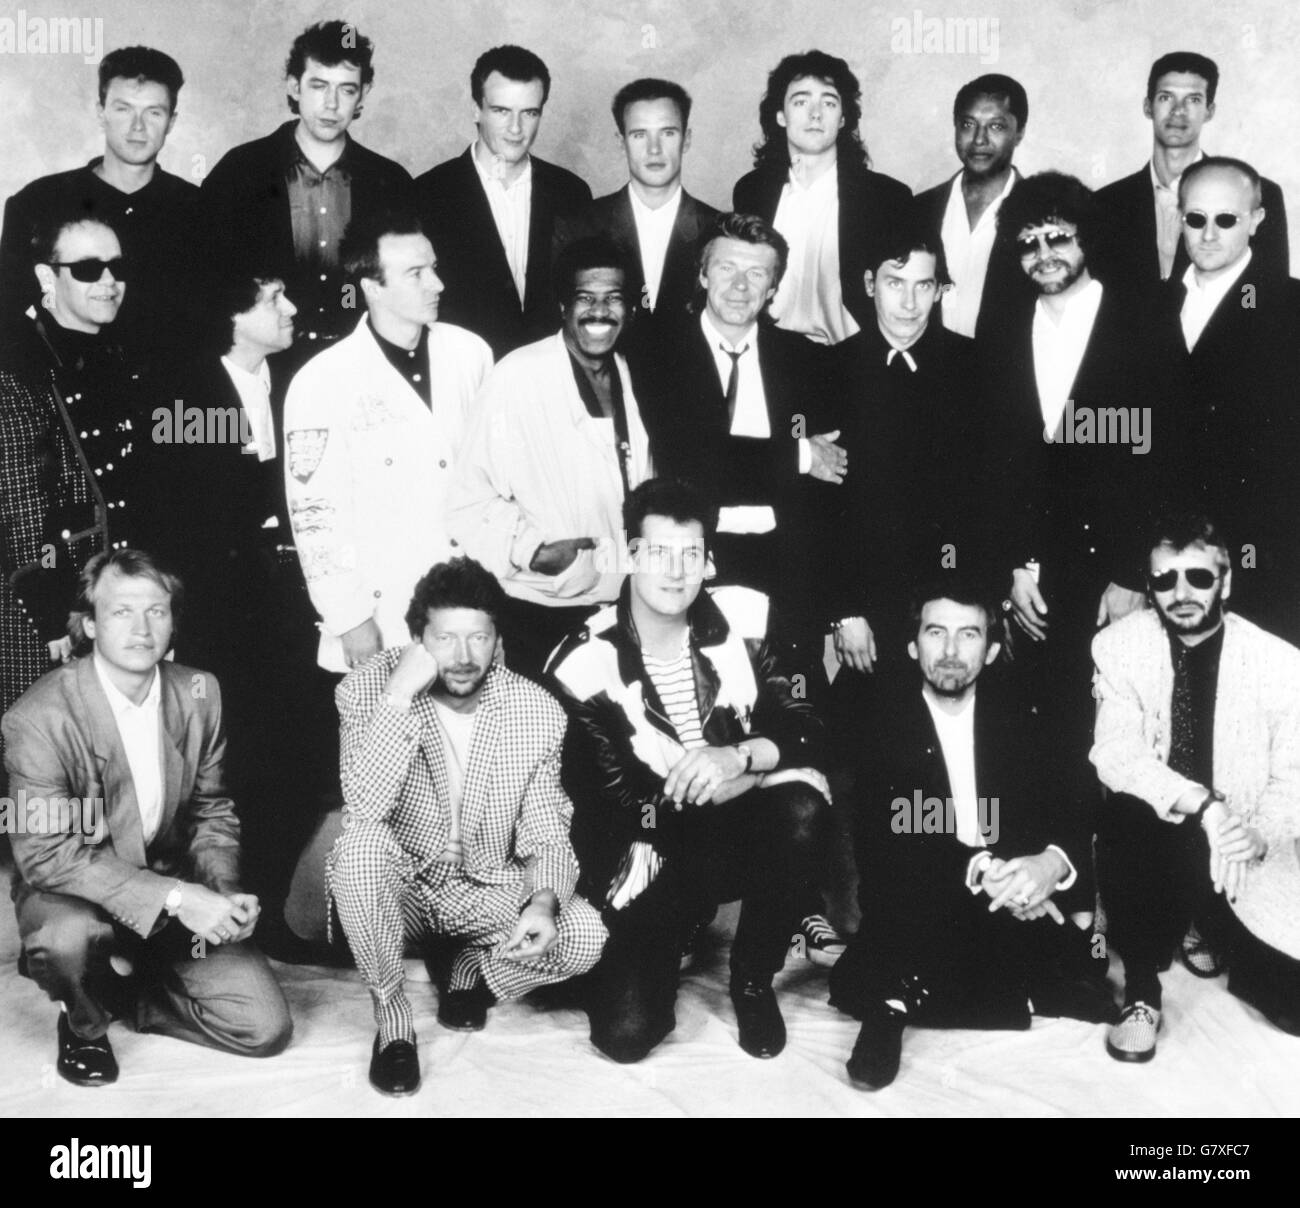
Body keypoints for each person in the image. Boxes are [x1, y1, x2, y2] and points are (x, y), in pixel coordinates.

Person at [548, 478, 830, 1063]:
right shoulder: (582, 661)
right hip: (652, 851)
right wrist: (753, 773)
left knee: (802, 808)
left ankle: (751, 979)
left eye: (691, 554)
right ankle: (669, 933)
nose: (676, 573)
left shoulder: (749, 615)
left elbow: (809, 723)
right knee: (625, 1037)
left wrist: (737, 756)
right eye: (657, 553)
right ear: (629, 555)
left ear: (709, 559)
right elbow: (630, 801)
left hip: (737, 831)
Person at [3, 549, 292, 1086]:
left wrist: (221, 894)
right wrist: (181, 900)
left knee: (263, 1027)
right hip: (74, 889)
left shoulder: (200, 691)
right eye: (120, 612)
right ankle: (83, 1019)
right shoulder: (36, 717)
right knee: (64, 941)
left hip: (168, 883)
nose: (141, 629)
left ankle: (125, 987)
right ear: (89, 625)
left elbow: (212, 809)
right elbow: (46, 856)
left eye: (156, 611)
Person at [328, 557, 606, 1095]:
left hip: (483, 892)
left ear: (497, 640)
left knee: (583, 934)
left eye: (478, 638)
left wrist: (543, 904)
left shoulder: (537, 710)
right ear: (416, 640)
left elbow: (547, 831)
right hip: (400, 889)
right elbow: (363, 808)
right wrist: (399, 696)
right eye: (445, 639)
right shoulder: (366, 690)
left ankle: (472, 970)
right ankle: (393, 1021)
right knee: (360, 848)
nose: (462, 657)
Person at [830, 578, 1112, 1090]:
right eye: (937, 633)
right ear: (913, 644)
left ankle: (906, 995)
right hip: (921, 894)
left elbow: (1073, 798)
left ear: (994, 648)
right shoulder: (883, 718)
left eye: (970, 635)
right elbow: (892, 837)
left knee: (1081, 966)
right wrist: (984, 871)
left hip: (1006, 894)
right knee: (873, 957)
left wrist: (1048, 865)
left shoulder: (1026, 711)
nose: (952, 653)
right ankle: (906, 1003)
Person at [137, 273, 334, 932]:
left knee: (305, 761)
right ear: (231, 313)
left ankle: (271, 914)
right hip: (224, 621)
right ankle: (221, 917)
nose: (292, 310)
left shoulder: (301, 380)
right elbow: (178, 522)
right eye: (273, 300)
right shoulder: (186, 394)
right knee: (232, 770)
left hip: (299, 612)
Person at [1093, 512, 1300, 1059]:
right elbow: (1116, 754)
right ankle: (1141, 993)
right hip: (1161, 836)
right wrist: (1205, 808)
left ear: (1226, 582)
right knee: (1127, 810)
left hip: (1241, 851)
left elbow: (1293, 776)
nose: (1181, 593)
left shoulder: (1280, 663)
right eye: (1164, 580)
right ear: (1151, 587)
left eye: (1199, 578)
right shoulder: (1118, 647)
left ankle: (1205, 927)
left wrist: (1258, 835)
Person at [634, 212, 844, 695]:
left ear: (774, 288)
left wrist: (800, 461)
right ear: (703, 274)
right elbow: (689, 462)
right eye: (726, 269)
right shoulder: (657, 350)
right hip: (692, 558)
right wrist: (797, 457)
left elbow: (828, 480)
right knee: (701, 705)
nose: (740, 286)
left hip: (787, 564)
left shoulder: (806, 360)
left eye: (757, 274)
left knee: (792, 706)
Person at [284, 209, 493, 675]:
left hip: (469, 610)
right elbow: (315, 516)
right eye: (416, 274)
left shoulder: (471, 354)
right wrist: (349, 617)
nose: (436, 284)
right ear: (372, 286)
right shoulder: (320, 381)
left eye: (433, 268)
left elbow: (493, 481)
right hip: (383, 617)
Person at [448, 235, 652, 677]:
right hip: (540, 610)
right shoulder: (517, 376)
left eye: (614, 298)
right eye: (585, 298)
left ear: (630, 309)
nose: (600, 312)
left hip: (623, 605)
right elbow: (467, 500)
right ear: (562, 306)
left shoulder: (632, 374)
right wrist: (533, 551)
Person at [0, 211, 145, 742]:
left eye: (115, 267)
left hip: (106, 594)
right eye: (87, 269)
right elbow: (19, 505)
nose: (107, 282)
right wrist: (50, 614)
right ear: (46, 279)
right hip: (36, 612)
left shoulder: (118, 350)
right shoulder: (16, 365)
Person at [825, 231, 988, 678]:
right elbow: (819, 505)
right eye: (896, 283)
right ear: (869, 284)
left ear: (939, 291)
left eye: (924, 286)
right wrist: (846, 609)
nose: (910, 302)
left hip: (955, 596)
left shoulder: (976, 367)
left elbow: (992, 492)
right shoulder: (829, 370)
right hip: (868, 604)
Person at [201, 21, 413, 350]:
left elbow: (404, 286)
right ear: (294, 87)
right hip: (266, 361)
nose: (331, 104)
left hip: (363, 361)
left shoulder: (392, 182)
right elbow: (211, 281)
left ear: (363, 93)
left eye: (346, 89)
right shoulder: (239, 172)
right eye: (318, 85)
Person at [1161, 157, 1300, 642]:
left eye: (1227, 219)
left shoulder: (1289, 306)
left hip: (1264, 562)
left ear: (1257, 220)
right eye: (1196, 219)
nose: (1209, 234)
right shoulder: (1151, 306)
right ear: (1179, 217)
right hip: (1166, 563)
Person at [0, 46, 201, 371]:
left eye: (154, 112)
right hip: (65, 396)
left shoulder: (201, 210)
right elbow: (8, 317)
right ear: (100, 112)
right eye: (123, 109)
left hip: (171, 401)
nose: (138, 126)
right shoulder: (38, 202)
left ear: (172, 121)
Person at [415, 45, 591, 358]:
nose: (515, 128)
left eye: (529, 113)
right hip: (465, 377)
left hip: (550, 376)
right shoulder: (428, 194)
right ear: (475, 110)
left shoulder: (571, 193)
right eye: (501, 111)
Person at [733, 50, 911, 345]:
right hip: (769, 352)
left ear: (842, 118)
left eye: (829, 102)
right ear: (780, 115)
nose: (815, 113)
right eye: (801, 101)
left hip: (852, 361)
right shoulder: (752, 190)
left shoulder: (886, 197)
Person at [1093, 51, 1289, 291]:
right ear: (1147, 107)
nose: (1178, 110)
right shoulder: (1104, 203)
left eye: (1193, 100)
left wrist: (1242, 322)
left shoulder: (1258, 192)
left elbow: (1265, 291)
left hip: (1226, 329)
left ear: (1209, 111)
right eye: (1166, 97)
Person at [555, 78, 718, 346]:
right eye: (639, 134)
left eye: (668, 133)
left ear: (686, 139)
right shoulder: (577, 226)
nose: (654, 149)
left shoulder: (718, 229)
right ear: (621, 142)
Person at [914, 73, 1034, 342]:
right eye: (968, 124)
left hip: (1003, 377)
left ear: (1020, 133)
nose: (979, 139)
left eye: (996, 126)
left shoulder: (1040, 215)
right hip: (928, 373)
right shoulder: (919, 209)